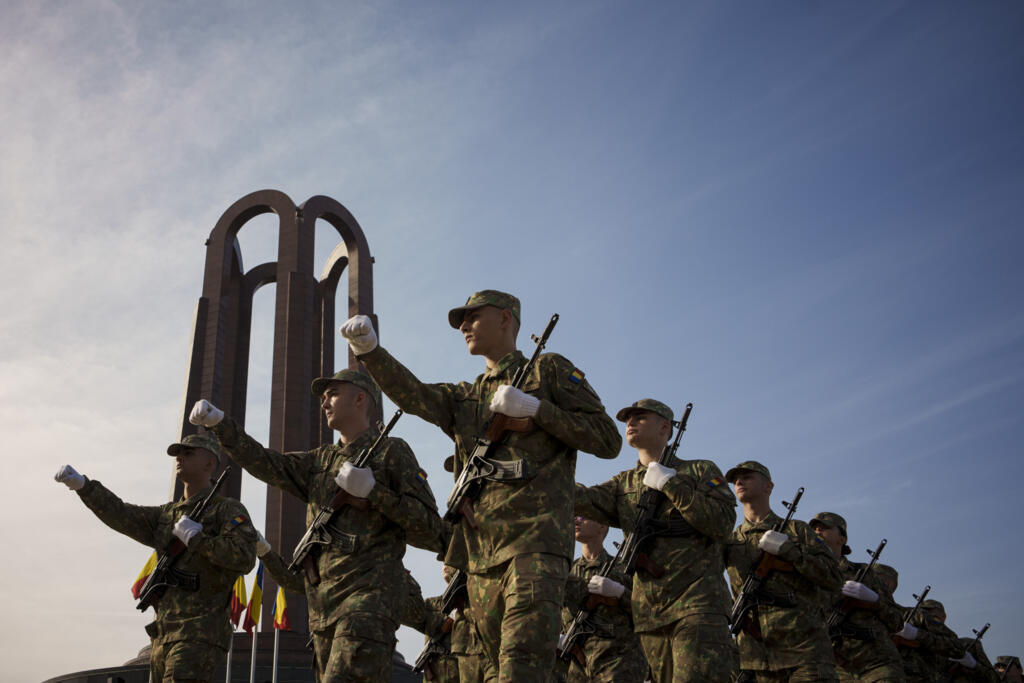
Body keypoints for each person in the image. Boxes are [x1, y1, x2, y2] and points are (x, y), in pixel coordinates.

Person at [339, 289, 621, 681]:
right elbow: (416, 395)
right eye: (460, 321)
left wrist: (538, 410)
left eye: (473, 317)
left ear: (505, 319)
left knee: (521, 665)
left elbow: (607, 439)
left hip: (534, 544)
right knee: (497, 671)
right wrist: (370, 351)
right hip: (480, 558)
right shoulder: (468, 396)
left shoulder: (549, 370)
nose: (464, 327)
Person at [190, 369, 445, 682]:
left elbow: (432, 529)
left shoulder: (393, 452)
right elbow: (266, 463)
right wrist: (221, 425)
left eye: (333, 394)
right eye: (324, 398)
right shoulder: (319, 461)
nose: (324, 403)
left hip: (370, 599)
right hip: (323, 611)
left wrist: (374, 493)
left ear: (361, 398)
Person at [55, 434, 257, 683]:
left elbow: (245, 558)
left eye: (189, 453)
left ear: (210, 463)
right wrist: (84, 487)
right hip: (163, 636)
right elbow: (122, 513)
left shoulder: (227, 510)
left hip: (199, 632)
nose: (180, 458)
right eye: (178, 454)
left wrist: (197, 539)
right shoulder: (166, 515)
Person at [573, 398, 737, 682]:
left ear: (665, 428)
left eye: (640, 417)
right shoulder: (623, 483)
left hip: (697, 603)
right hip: (649, 614)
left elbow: (722, 522)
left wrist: (670, 484)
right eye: (627, 419)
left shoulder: (699, 471)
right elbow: (582, 498)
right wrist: (542, 469)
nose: (630, 423)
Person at [724, 461, 842, 682]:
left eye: (747, 476)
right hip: (757, 660)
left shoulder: (797, 530)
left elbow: (833, 577)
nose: (739, 482)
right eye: (735, 479)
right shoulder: (730, 541)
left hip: (805, 651)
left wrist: (791, 551)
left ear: (768, 486)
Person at [809, 511, 905, 682]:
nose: (817, 531)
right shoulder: (806, 575)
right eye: (814, 528)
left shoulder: (864, 574)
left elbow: (897, 621)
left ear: (842, 539)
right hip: (833, 670)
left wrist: (874, 600)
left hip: (877, 665)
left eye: (825, 528)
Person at [558, 516, 649, 682]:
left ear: (602, 525)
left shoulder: (623, 569)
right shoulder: (565, 573)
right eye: (574, 517)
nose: (576, 520)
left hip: (619, 667)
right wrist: (559, 638)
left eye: (583, 516)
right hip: (578, 671)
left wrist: (620, 592)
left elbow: (648, 613)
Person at [893, 597, 966, 682]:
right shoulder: (918, 616)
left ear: (944, 616)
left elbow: (958, 648)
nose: (929, 617)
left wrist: (917, 634)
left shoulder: (944, 638)